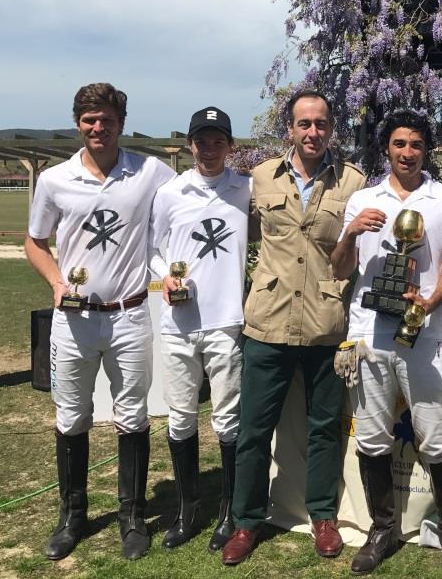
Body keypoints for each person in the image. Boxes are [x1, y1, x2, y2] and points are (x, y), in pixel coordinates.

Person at [25, 83, 175, 561]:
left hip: (130, 315)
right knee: (71, 417)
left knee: (132, 416)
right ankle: (73, 516)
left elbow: (186, 202)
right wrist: (56, 282)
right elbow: (34, 242)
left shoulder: (151, 171)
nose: (98, 127)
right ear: (78, 123)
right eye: (89, 119)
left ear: (121, 124)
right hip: (74, 320)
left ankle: (132, 516)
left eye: (107, 119)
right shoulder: (54, 179)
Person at [222, 88, 365, 566]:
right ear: (290, 128)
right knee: (253, 430)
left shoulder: (352, 182)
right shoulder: (260, 177)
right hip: (268, 322)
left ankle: (322, 516)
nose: (313, 132)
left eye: (321, 123)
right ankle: (246, 521)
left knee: (324, 428)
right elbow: (234, 234)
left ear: (331, 129)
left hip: (325, 324)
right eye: (304, 123)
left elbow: (354, 255)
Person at [330, 109, 442, 576]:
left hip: (423, 334)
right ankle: (381, 528)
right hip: (369, 334)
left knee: (437, 436)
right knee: (372, 437)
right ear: (386, 148)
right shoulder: (363, 199)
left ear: (426, 150)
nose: (407, 152)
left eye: (416, 144)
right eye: (399, 144)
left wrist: (428, 303)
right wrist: (351, 231)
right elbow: (340, 268)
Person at [148, 106, 251, 552]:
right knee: (181, 416)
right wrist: (164, 279)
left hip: (227, 321)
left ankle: (229, 509)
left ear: (230, 146)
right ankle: (188, 508)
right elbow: (152, 250)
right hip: (179, 322)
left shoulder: (245, 188)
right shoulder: (170, 192)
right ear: (190, 145)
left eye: (217, 141)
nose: (209, 149)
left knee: (228, 418)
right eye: (201, 141)